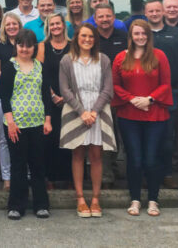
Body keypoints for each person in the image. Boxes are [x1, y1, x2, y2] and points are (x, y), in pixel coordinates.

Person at [112, 20, 173, 217]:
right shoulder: (121, 58)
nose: (140, 37)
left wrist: (150, 99)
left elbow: (166, 83)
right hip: (129, 116)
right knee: (135, 160)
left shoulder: (159, 56)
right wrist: (131, 99)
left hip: (155, 115)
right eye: (136, 34)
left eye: (143, 33)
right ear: (130, 36)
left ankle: (153, 200)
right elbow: (115, 85)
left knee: (151, 159)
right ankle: (135, 199)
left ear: (148, 35)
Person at [59, 23, 115, 218]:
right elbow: (65, 90)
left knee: (96, 155)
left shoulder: (103, 60)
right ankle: (81, 198)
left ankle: (96, 199)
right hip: (76, 110)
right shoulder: (67, 60)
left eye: (91, 36)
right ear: (77, 38)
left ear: (95, 39)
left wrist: (94, 112)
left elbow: (108, 89)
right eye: (83, 36)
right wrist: (82, 112)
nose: (87, 40)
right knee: (78, 154)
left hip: (98, 111)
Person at [0, 29, 53, 220]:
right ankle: (16, 205)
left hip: (38, 123)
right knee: (19, 165)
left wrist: (48, 120)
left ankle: (41, 204)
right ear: (16, 46)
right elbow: (4, 97)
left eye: (29, 45)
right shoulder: (9, 67)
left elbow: (46, 95)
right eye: (21, 45)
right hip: (17, 125)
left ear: (34, 47)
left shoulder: (40, 67)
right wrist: (11, 123)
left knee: (38, 164)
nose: (25, 49)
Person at [145, 0, 178, 186]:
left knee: (167, 136)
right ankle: (148, 174)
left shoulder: (176, 33)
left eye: (158, 10)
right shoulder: (140, 33)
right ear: (145, 13)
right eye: (151, 11)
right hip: (143, 93)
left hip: (170, 92)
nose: (154, 14)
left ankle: (167, 174)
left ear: (163, 12)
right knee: (146, 136)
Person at [92, 3, 128, 187]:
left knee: (122, 134)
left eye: (108, 16)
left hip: (123, 94)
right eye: (101, 17)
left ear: (114, 18)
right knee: (104, 134)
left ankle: (117, 167)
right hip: (98, 95)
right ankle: (105, 175)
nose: (105, 20)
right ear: (95, 19)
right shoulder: (91, 39)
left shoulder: (124, 37)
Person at [35, 13, 72, 188]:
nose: (55, 27)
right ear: (48, 27)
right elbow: (40, 74)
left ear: (64, 25)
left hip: (71, 99)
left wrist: (68, 96)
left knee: (69, 137)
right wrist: (52, 95)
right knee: (49, 139)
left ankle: (70, 178)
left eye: (58, 23)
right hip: (49, 99)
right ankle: (49, 178)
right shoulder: (42, 46)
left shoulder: (73, 46)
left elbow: (77, 73)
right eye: (52, 24)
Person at [0, 12, 23, 191]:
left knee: (24, 135)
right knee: (5, 137)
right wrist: (13, 84)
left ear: (19, 25)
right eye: (8, 24)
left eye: (14, 24)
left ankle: (25, 174)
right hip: (2, 95)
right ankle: (7, 177)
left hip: (25, 96)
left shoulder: (25, 42)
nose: (11, 27)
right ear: (4, 26)